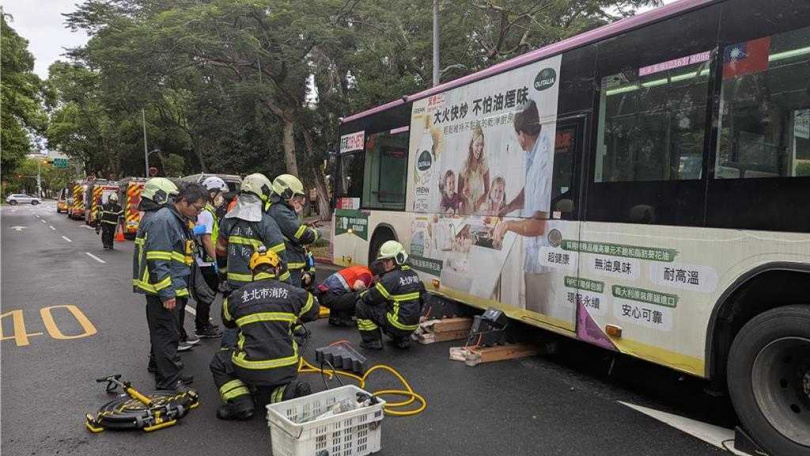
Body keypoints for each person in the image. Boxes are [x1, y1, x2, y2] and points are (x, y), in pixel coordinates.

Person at [210, 247, 318, 420]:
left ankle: (241, 402)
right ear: (276, 269)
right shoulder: (294, 293)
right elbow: (313, 311)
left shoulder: (236, 297)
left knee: (219, 362)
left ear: (252, 271)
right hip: (286, 366)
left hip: (250, 368)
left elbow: (228, 322)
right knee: (272, 379)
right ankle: (284, 395)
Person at [134, 181, 207, 391]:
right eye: (197, 208)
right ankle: (168, 381)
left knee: (165, 333)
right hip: (164, 289)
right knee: (167, 335)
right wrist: (167, 293)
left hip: (173, 286)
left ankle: (162, 369)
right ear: (184, 201)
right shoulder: (165, 221)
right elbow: (158, 260)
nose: (198, 213)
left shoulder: (177, 219)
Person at [493, 100, 555, 315]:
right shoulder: (537, 144)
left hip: (541, 262)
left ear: (521, 134)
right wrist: (508, 207)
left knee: (537, 315)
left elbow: (537, 227)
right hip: (536, 257)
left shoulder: (542, 163)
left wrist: (506, 226)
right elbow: (529, 190)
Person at [217, 173, 288, 347]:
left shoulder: (227, 221)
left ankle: (227, 359)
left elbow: (220, 252)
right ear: (263, 195)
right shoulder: (266, 223)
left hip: (234, 284)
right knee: (258, 322)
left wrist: (224, 276)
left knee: (234, 322)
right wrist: (288, 288)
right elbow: (281, 259)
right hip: (259, 284)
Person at [356, 241, 425, 350]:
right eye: (383, 261)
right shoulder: (414, 275)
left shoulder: (390, 278)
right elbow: (421, 297)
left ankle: (372, 341)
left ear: (398, 259)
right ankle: (401, 339)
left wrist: (362, 294)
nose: (384, 264)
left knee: (361, 305)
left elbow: (372, 298)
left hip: (397, 324)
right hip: (412, 325)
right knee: (395, 304)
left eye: (387, 261)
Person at [191, 176, 229, 339]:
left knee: (206, 295)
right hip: (206, 261)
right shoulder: (206, 214)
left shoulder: (205, 212)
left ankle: (203, 324)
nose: (221, 199)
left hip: (202, 259)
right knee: (207, 295)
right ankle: (202, 326)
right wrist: (216, 259)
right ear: (212, 194)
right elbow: (206, 238)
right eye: (219, 195)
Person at [266, 174, 321, 288]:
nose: (297, 200)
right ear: (286, 193)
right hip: (289, 263)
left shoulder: (280, 209)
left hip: (290, 263)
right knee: (292, 298)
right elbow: (302, 235)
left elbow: (289, 228)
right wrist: (317, 233)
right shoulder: (280, 211)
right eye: (295, 196)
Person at [458, 126, 491, 215]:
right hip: (466, 211)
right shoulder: (464, 165)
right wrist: (464, 193)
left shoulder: (484, 163)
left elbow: (487, 190)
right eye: (477, 145)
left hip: (479, 210)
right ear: (471, 145)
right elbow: (459, 195)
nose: (479, 149)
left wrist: (479, 203)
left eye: (482, 145)